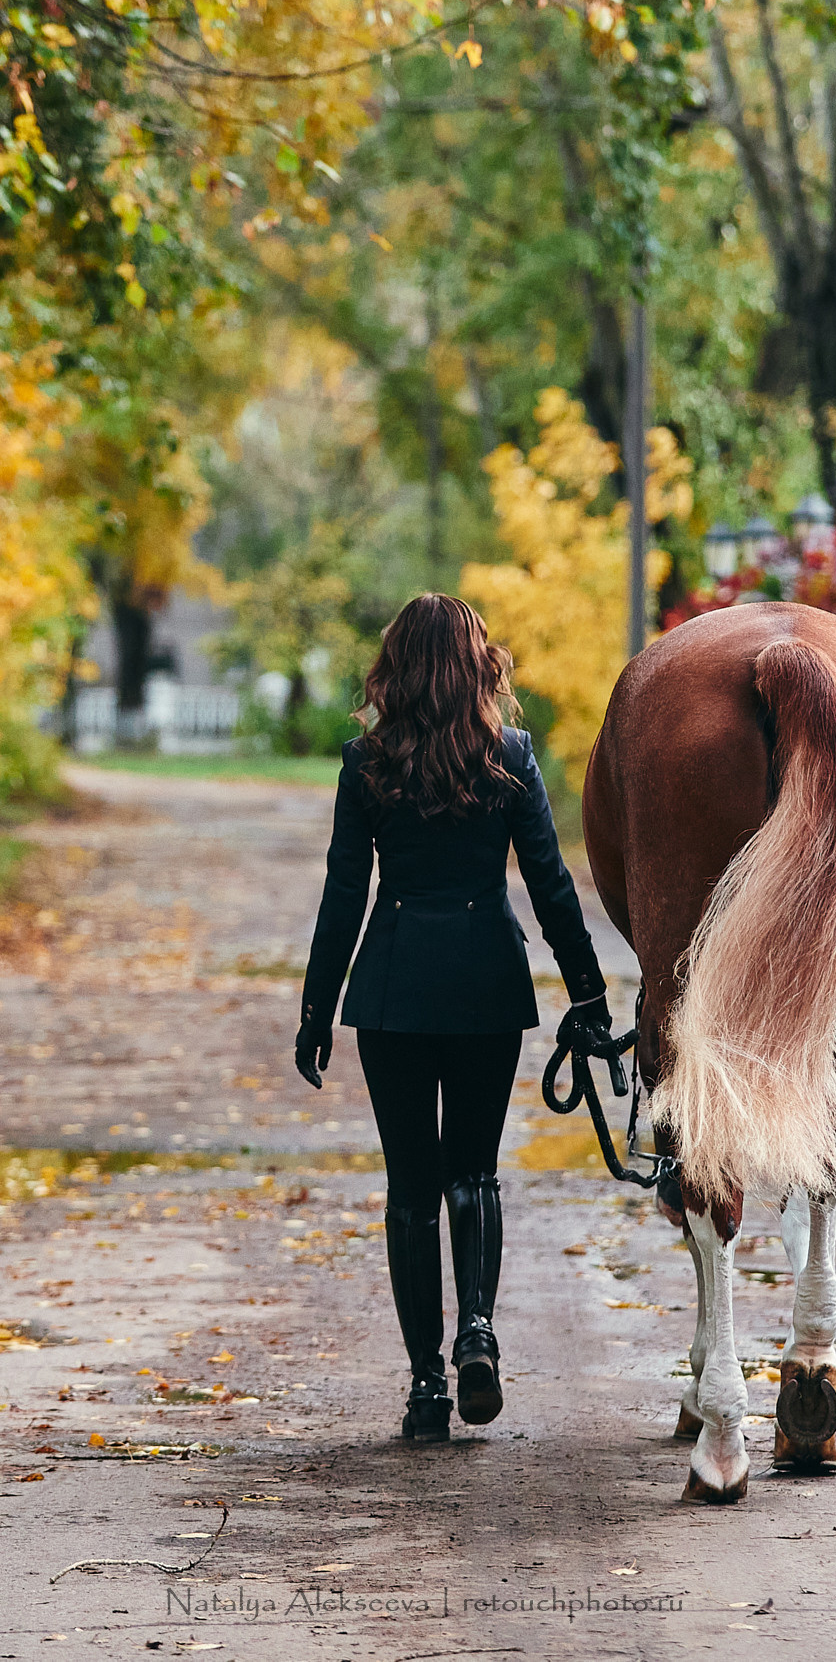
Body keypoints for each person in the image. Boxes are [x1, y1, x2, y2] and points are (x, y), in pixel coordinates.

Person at [294, 593, 614, 1443]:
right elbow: (550, 884)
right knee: (474, 1171)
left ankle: (427, 1386)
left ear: (393, 669)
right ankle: (478, 1329)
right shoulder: (508, 754)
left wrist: (317, 1008)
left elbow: (341, 897)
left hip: (394, 990)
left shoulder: (366, 762)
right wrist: (587, 992)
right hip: (485, 985)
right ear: (480, 667)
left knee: (410, 1188)